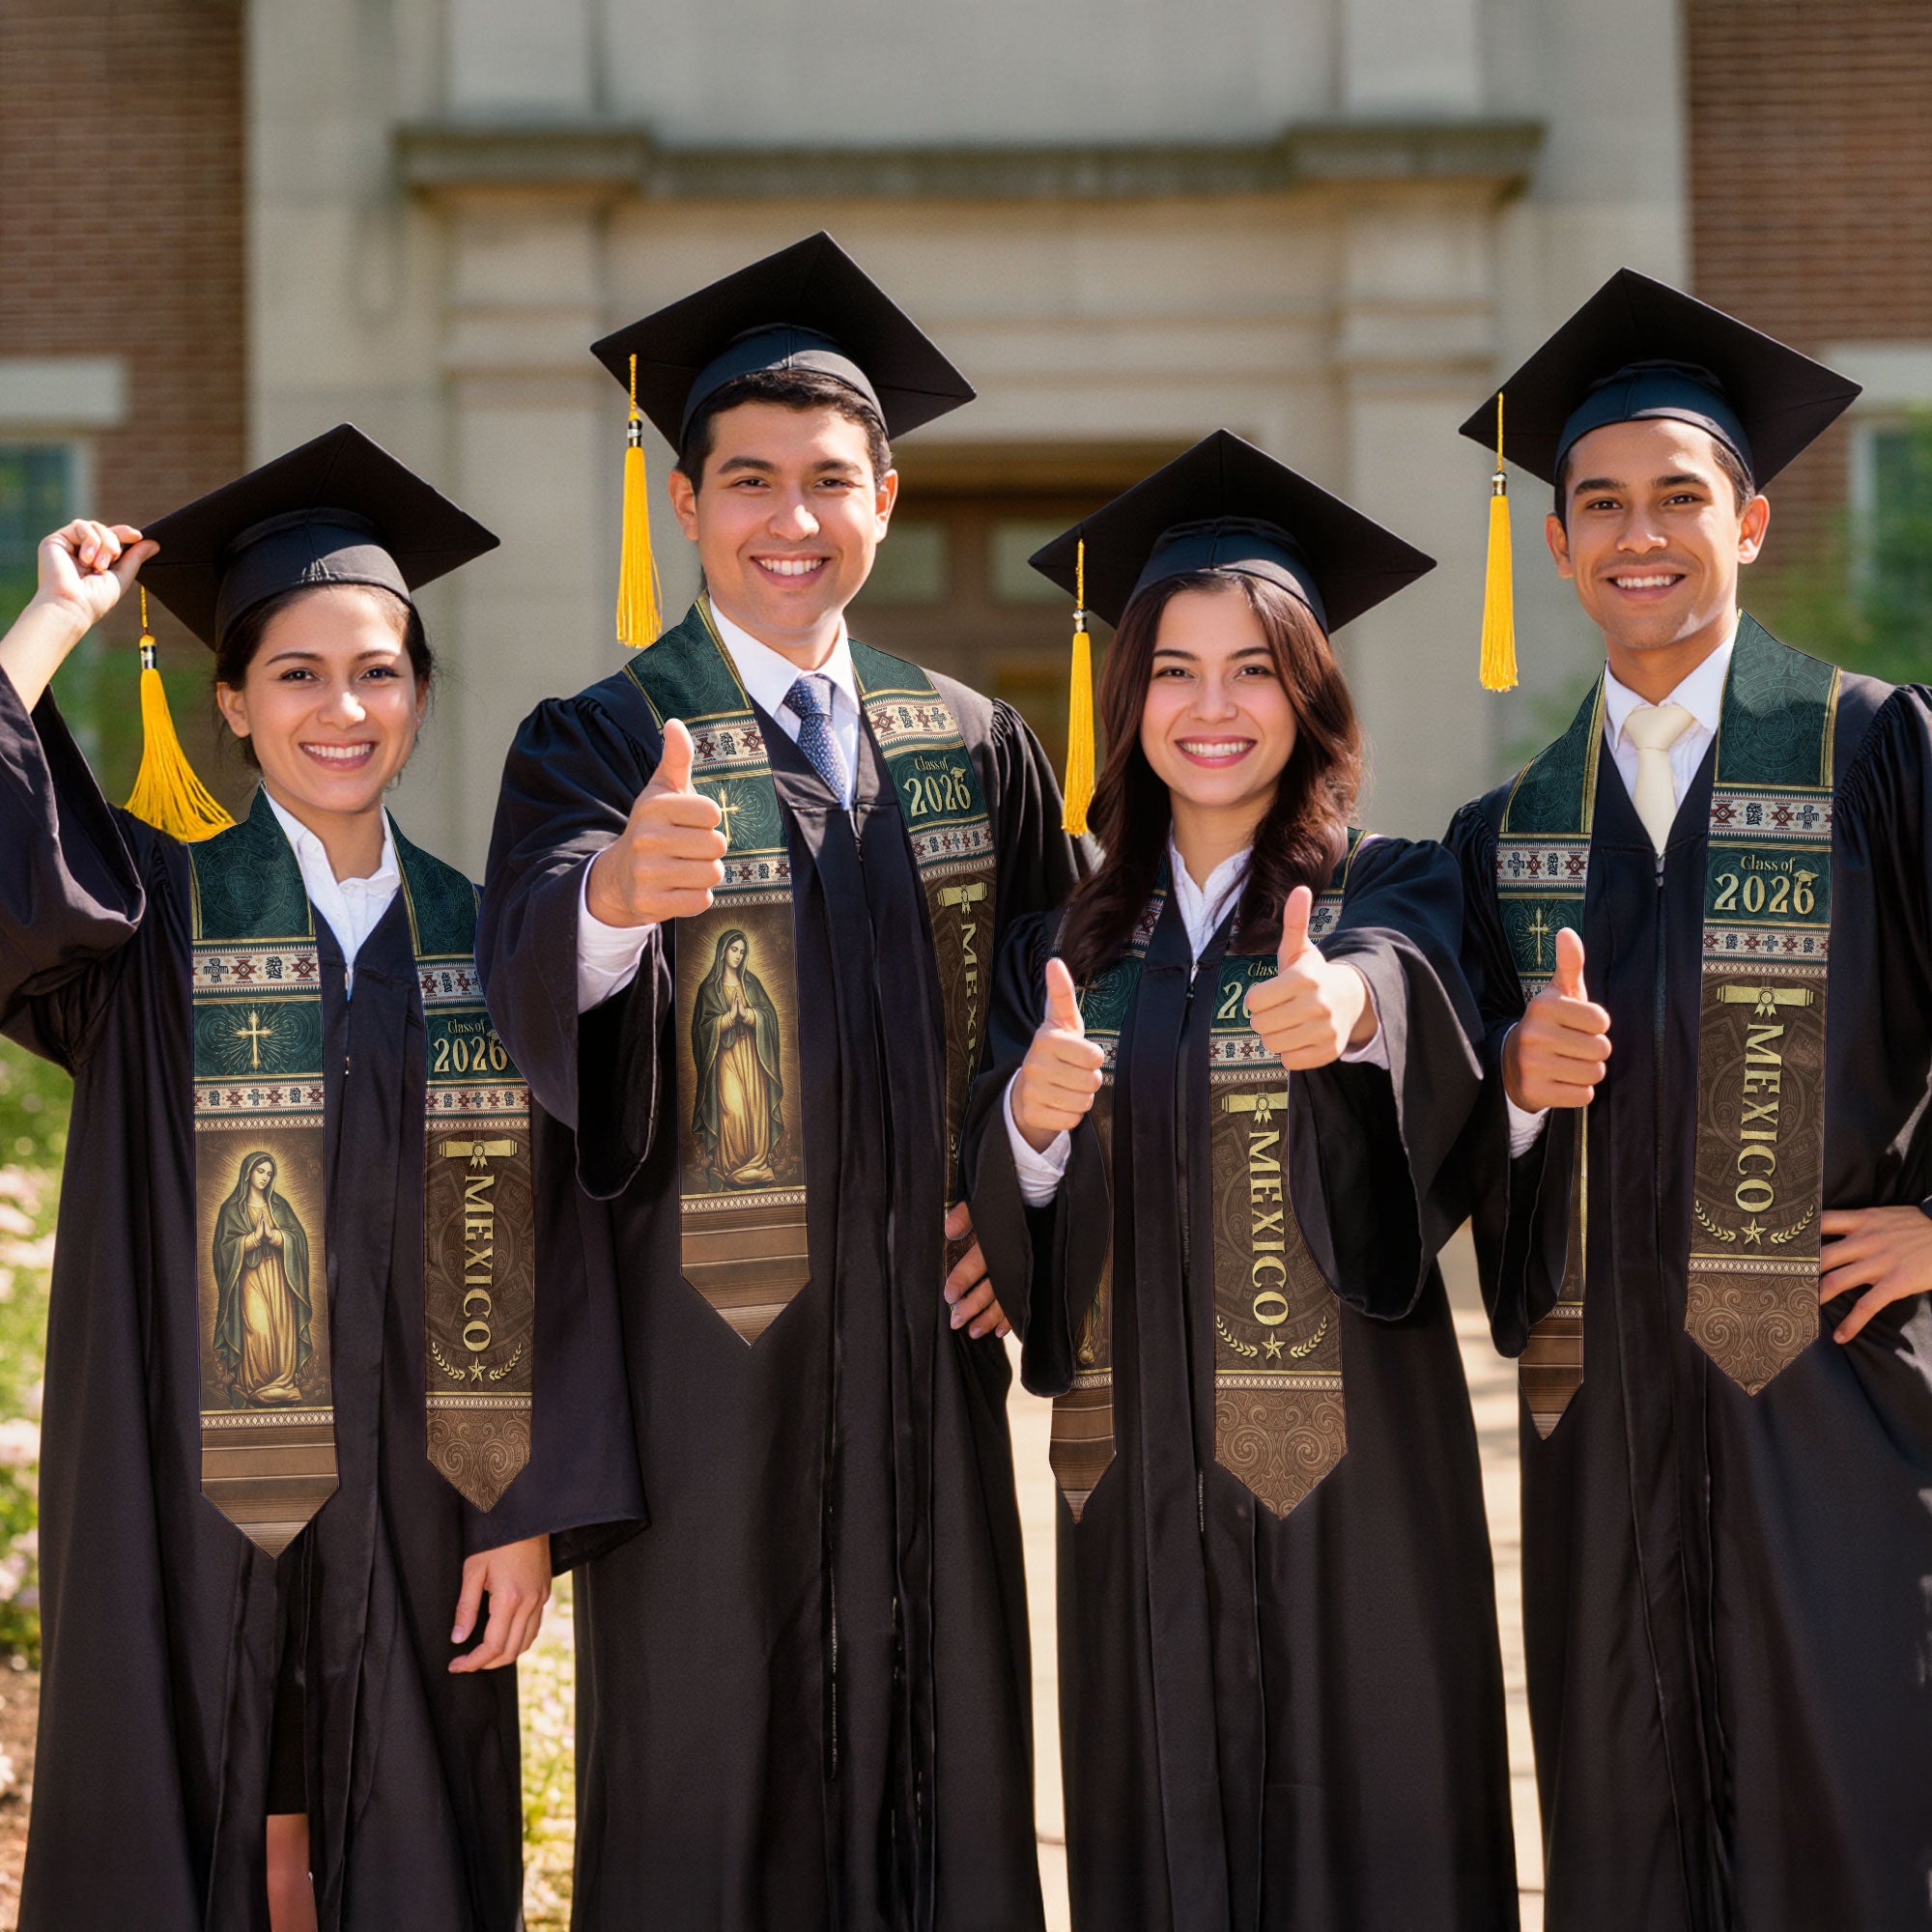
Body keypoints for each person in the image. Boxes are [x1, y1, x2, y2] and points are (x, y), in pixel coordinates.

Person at [479, 233, 1083, 1929]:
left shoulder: (971, 741)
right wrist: (610, 899)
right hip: (707, 1371)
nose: (791, 520)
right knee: (710, 1775)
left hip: (923, 1359)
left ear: (886, 497)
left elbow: (1073, 1004)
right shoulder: (599, 739)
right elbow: (523, 965)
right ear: (686, 504)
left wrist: (1024, 1206)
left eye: (831, 481)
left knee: (942, 1757)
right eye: (749, 481)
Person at [0, 425, 640, 1931]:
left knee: (405, 1836)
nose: (341, 708)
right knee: (194, 1811)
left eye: (378, 671)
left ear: (419, 694)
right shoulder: (149, 918)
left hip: (425, 1501)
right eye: (295, 673)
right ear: (230, 701)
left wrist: (526, 1507)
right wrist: (51, 624)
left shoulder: (491, 940)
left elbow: (562, 1243)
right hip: (181, 1486)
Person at [964, 432, 1517, 1930]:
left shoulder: (1391, 886)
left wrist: (1350, 1015)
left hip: (1360, 1486)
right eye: (1175, 670)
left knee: (1378, 1830)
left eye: (1256, 668)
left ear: (1311, 693)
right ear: (1126, 696)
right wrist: (1028, 1117)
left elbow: (1416, 994)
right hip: (1136, 1477)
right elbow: (1011, 1214)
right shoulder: (1061, 948)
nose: (1214, 708)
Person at [1447, 270, 1932, 1931]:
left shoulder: (1875, 752)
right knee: (1626, 1824)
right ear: (1561, 543)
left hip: (1837, 1405)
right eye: (1599, 504)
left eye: (1678, 497)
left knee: (1854, 1808)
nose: (1636, 533)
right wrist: (1512, 1090)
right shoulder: (1508, 830)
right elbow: (1444, 1139)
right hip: (1606, 1430)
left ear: (1752, 521)